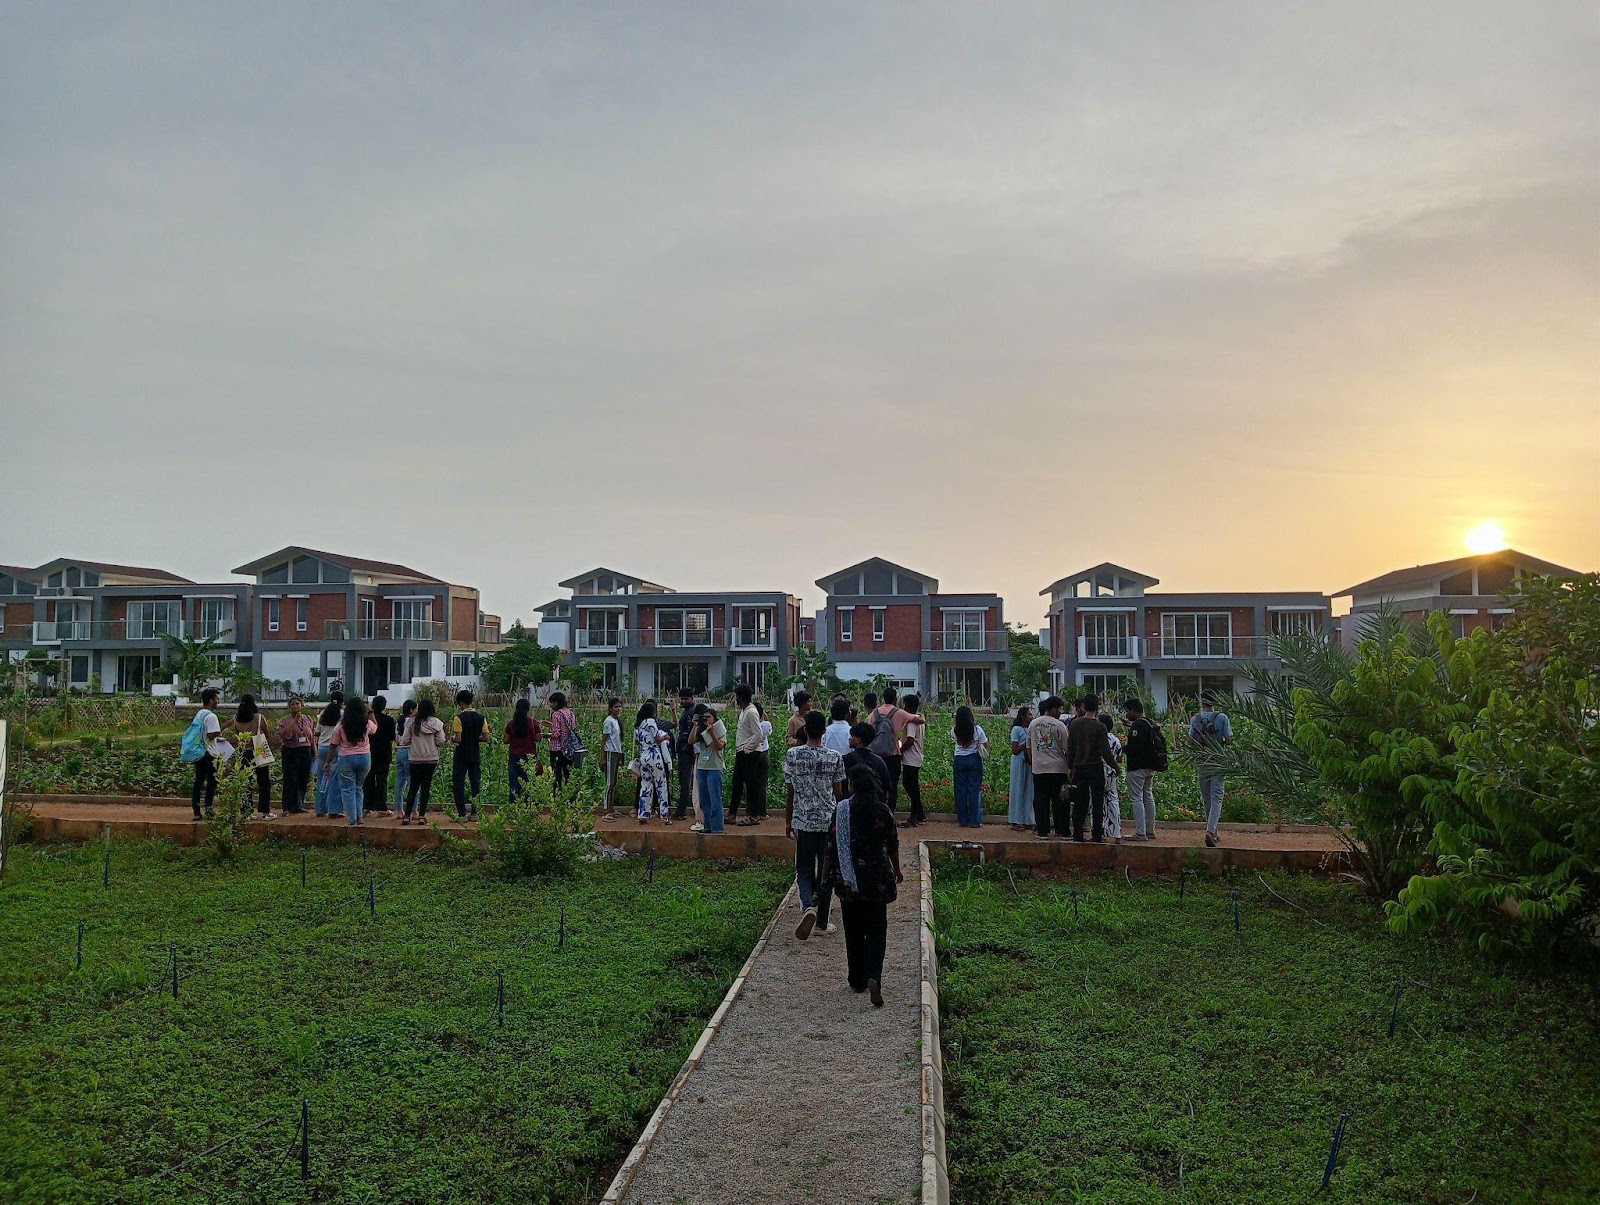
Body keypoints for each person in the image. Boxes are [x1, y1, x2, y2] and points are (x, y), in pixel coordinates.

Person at [824, 763, 904, 1007]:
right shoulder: (883, 811)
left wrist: (825, 878)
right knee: (877, 929)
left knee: (853, 930)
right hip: (878, 880)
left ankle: (857, 979)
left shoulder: (842, 811)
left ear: (852, 785)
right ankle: (874, 976)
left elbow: (831, 847)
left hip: (850, 881)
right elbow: (892, 844)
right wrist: (897, 869)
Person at [785, 709, 845, 940]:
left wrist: (788, 821)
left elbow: (790, 792)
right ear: (824, 731)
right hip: (828, 821)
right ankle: (821, 921)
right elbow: (838, 794)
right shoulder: (834, 757)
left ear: (805, 730)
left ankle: (807, 906)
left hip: (803, 820)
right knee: (826, 871)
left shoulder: (793, 755)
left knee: (804, 868)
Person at [1066, 693, 1114, 842]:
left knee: (1080, 802)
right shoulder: (1100, 727)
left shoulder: (1075, 724)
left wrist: (1070, 767)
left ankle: (1078, 833)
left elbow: (1070, 748)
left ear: (1084, 706)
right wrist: (1115, 767)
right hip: (1095, 767)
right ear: (1097, 707)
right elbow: (1105, 751)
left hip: (1079, 767)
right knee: (1097, 801)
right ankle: (1097, 835)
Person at [326, 695, 377, 827]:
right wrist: (370, 712)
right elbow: (375, 728)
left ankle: (352, 819)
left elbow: (333, 744)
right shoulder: (366, 723)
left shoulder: (341, 725)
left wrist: (328, 761)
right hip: (364, 757)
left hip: (346, 758)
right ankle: (359, 817)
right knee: (358, 788)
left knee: (347, 789)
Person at [1191, 691, 1233, 847]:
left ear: (1202, 702)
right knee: (1217, 797)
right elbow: (1229, 740)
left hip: (1202, 762)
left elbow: (1192, 740)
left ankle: (1214, 832)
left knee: (1207, 798)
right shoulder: (1222, 718)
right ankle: (1210, 831)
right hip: (1217, 761)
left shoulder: (1195, 718)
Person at [1027, 697, 1073, 839]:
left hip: (1039, 768)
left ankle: (1042, 831)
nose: (1061, 712)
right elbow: (1068, 748)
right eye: (1059, 709)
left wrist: (1034, 762)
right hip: (1058, 768)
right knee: (1060, 801)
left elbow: (1029, 746)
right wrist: (1070, 766)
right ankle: (1062, 830)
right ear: (1053, 709)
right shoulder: (1059, 725)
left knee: (1041, 800)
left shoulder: (1033, 724)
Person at [234, 694, 278, 821]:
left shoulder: (236, 719)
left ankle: (246, 812)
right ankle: (265, 811)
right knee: (264, 781)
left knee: (245, 782)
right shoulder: (259, 717)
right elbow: (267, 734)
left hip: (244, 751)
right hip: (259, 749)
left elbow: (238, 735)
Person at [402, 697, 446, 823]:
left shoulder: (412, 722)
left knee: (413, 787)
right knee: (426, 787)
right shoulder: (437, 723)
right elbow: (441, 740)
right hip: (431, 758)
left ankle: (407, 816)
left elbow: (405, 740)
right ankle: (421, 816)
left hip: (415, 758)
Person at [1122, 698, 1160, 841]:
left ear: (1133, 710)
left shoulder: (1138, 725)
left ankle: (1140, 832)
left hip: (1137, 767)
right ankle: (1150, 830)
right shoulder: (1149, 722)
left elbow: (1135, 747)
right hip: (1150, 766)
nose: (1126, 715)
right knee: (1148, 796)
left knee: (1136, 798)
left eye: (1127, 711)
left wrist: (1122, 748)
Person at [730, 683, 767, 826]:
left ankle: (753, 816)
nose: (736, 699)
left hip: (749, 753)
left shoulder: (751, 712)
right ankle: (732, 814)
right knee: (737, 784)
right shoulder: (744, 711)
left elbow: (758, 734)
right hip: (742, 751)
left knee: (751, 785)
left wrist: (747, 748)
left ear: (741, 697)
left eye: (737, 696)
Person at [450, 689, 489, 822]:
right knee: (475, 782)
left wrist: (452, 739)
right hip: (474, 753)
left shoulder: (458, 718)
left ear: (461, 703)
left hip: (461, 754)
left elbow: (458, 739)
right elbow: (485, 737)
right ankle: (474, 812)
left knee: (459, 782)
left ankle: (462, 814)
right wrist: (475, 738)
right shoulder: (481, 718)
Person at [634, 700, 674, 822]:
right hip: (654, 756)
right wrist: (666, 737)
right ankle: (664, 814)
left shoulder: (638, 725)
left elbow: (637, 742)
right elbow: (657, 738)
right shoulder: (651, 722)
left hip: (643, 756)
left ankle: (643, 814)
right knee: (661, 784)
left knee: (645, 785)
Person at [690, 703, 728, 833]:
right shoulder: (701, 732)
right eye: (704, 717)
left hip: (714, 768)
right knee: (704, 800)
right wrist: (695, 726)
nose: (706, 720)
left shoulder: (719, 730)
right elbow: (691, 741)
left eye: (709, 717)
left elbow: (719, 746)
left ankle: (717, 828)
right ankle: (708, 826)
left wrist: (712, 733)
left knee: (715, 799)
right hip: (702, 767)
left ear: (715, 719)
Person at [868, 687, 907, 811]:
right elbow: (919, 719)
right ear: (895, 699)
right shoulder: (899, 712)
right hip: (893, 754)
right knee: (893, 785)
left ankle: (878, 810)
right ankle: (890, 811)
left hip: (876, 755)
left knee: (877, 783)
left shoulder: (874, 713)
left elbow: (868, 730)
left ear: (883, 698)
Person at [276, 695, 316, 815]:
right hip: (290, 750)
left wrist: (315, 753)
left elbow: (312, 737)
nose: (295, 706)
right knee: (290, 778)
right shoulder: (285, 720)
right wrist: (295, 721)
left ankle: (299, 804)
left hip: (306, 750)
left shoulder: (308, 719)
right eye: (292, 704)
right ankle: (287, 807)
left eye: (297, 703)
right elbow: (284, 735)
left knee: (303, 778)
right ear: (289, 707)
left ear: (302, 706)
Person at [190, 686, 224, 821]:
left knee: (198, 781)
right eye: (216, 699)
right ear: (211, 700)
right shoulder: (211, 716)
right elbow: (211, 735)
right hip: (210, 753)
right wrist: (223, 728)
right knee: (211, 782)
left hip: (199, 752)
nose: (218, 701)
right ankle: (209, 809)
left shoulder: (199, 714)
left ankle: (196, 811)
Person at [951, 705, 989, 827]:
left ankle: (962, 820)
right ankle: (974, 820)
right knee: (974, 790)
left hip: (959, 759)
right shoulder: (977, 729)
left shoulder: (954, 730)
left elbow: (956, 741)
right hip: (974, 759)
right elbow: (985, 744)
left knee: (960, 790)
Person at [505, 697, 543, 803]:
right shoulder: (533, 723)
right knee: (529, 781)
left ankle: (514, 805)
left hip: (515, 755)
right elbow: (538, 739)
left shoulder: (511, 723)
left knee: (514, 783)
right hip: (530, 756)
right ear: (528, 709)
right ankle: (528, 805)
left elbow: (505, 740)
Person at [312, 692, 344, 817]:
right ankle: (334, 810)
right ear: (342, 701)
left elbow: (317, 732)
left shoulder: (323, 714)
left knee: (322, 778)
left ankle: (320, 809)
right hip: (336, 748)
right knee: (335, 780)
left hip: (322, 748)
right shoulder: (342, 714)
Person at [897, 693, 926, 827]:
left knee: (910, 786)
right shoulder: (920, 718)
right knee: (913, 786)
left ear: (907, 707)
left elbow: (910, 740)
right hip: (917, 756)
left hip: (911, 758)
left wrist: (900, 751)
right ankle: (919, 813)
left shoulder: (911, 723)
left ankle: (915, 815)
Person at [364, 696, 395, 816]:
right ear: (384, 706)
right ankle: (382, 807)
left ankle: (367, 807)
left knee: (368, 780)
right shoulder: (389, 720)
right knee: (382, 780)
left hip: (369, 751)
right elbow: (392, 737)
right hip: (384, 753)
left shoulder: (367, 719)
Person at [844, 722, 893, 797]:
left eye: (852, 736)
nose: (849, 739)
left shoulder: (845, 759)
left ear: (858, 739)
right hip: (873, 800)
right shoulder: (879, 761)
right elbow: (886, 788)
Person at [1008, 705, 1035, 831]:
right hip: (1019, 760)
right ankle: (1016, 820)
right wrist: (1027, 744)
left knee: (1029, 791)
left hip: (1028, 761)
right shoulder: (1016, 729)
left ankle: (1028, 819)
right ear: (1023, 717)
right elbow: (1015, 750)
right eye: (1029, 714)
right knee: (1017, 790)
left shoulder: (1030, 729)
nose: (1032, 717)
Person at [548, 691, 580, 794]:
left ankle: (557, 794)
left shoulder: (556, 714)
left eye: (551, 702)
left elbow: (556, 733)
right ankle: (571, 796)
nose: (550, 705)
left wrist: (547, 735)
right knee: (568, 773)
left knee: (557, 774)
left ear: (556, 703)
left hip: (557, 748)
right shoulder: (570, 713)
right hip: (569, 748)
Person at [673, 687, 697, 821]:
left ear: (692, 698)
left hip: (687, 751)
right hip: (686, 750)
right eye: (681, 699)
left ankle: (681, 811)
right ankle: (683, 810)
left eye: (686, 699)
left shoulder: (691, 713)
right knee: (686, 781)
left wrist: (687, 748)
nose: (683, 701)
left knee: (685, 781)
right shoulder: (688, 711)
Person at [1100, 711, 1124, 843]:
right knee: (1113, 801)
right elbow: (1119, 759)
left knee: (1097, 802)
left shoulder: (1097, 738)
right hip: (1112, 773)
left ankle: (1100, 832)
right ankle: (1117, 834)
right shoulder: (1116, 740)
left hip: (1098, 772)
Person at [601, 697, 625, 820]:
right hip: (610, 752)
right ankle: (606, 810)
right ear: (610, 708)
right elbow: (604, 740)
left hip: (616, 752)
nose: (618, 709)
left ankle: (611, 808)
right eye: (616, 707)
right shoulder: (608, 721)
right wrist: (602, 757)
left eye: (619, 706)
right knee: (609, 782)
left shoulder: (616, 721)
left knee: (614, 782)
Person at [393, 699, 417, 812]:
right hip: (410, 750)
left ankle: (399, 810)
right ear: (411, 710)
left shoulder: (399, 722)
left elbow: (397, 740)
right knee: (413, 781)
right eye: (416, 709)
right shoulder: (413, 722)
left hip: (400, 751)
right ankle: (414, 810)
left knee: (400, 782)